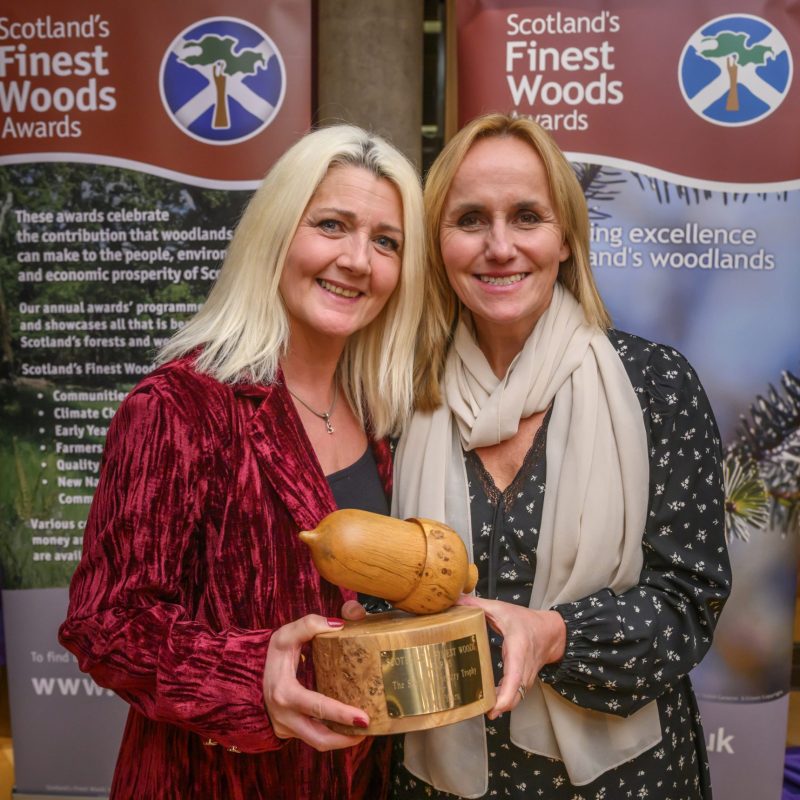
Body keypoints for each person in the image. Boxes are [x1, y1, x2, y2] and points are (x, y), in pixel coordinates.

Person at [58, 124, 425, 800]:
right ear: (275, 233)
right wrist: (252, 676)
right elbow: (106, 622)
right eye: (332, 225)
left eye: (386, 242)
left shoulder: (384, 417)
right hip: (210, 781)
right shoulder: (179, 405)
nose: (357, 260)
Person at [391, 113, 732, 799]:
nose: (500, 247)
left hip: (623, 779)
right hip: (436, 780)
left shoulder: (656, 386)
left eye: (527, 217)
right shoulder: (400, 398)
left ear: (567, 237)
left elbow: (688, 604)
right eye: (470, 220)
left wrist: (554, 635)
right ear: (438, 241)